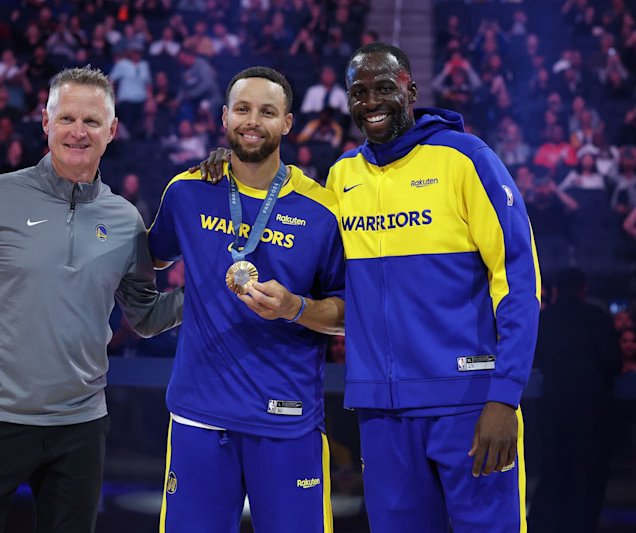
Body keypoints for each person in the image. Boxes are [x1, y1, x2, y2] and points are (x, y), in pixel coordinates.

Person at [197, 42, 540, 532]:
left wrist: (505, 396)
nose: (371, 102)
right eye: (359, 92)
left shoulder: (467, 159)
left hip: (468, 401)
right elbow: (290, 222)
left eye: (384, 88)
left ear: (411, 90)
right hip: (381, 412)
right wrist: (231, 161)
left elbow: (519, 282)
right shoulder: (343, 176)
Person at [0, 66, 184, 532]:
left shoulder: (124, 218)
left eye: (92, 121)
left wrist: (205, 295)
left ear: (112, 130)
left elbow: (146, 317)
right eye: (67, 118)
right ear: (46, 122)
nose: (79, 131)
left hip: (79, 426)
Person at [149, 66, 345, 532]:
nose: (252, 121)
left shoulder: (322, 210)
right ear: (224, 117)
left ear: (287, 123)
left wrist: (295, 308)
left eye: (267, 112)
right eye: (242, 109)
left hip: (286, 418)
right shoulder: (187, 191)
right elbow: (150, 259)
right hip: (199, 415)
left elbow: (348, 313)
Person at [529, 268, 621, 533]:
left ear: (556, 289)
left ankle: (546, 526)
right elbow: (612, 360)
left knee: (554, 467)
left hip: (554, 402)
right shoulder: (597, 317)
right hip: (592, 404)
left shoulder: (544, 319)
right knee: (588, 471)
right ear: (584, 288)